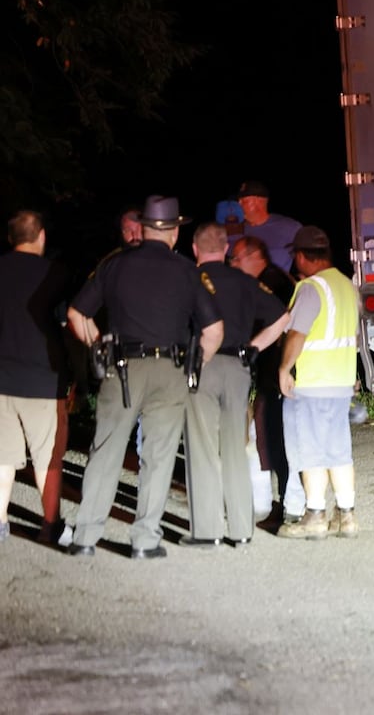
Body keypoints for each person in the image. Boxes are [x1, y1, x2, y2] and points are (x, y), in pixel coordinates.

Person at [64, 195, 224, 559]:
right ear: (174, 232)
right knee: (158, 455)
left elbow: (76, 313)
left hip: (122, 367)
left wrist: (96, 346)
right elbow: (214, 330)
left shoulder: (114, 265)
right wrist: (195, 367)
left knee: (105, 450)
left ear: (146, 227)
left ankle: (85, 537)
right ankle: (144, 541)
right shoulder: (187, 270)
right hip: (170, 368)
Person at [182, 223, 288, 547]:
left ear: (196, 250)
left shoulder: (189, 279)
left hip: (202, 364)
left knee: (201, 448)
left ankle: (207, 530)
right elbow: (283, 317)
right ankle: (242, 529)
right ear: (226, 249)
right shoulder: (246, 281)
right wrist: (254, 347)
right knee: (233, 448)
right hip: (239, 367)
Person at [277, 226, 359, 540]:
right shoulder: (346, 284)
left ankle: (314, 516)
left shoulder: (311, 287)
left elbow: (298, 333)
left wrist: (285, 368)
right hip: (340, 381)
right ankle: (347, 516)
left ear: (301, 255)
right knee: (339, 451)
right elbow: (353, 334)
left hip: (312, 382)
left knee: (310, 452)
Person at [0, 211, 72, 543]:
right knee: (48, 455)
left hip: (2, 378)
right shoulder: (55, 274)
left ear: (10, 238)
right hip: (43, 379)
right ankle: (50, 524)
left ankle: (0, 521)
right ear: (41, 236)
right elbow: (65, 324)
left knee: (3, 456)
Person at [229, 233, 302, 523]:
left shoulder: (270, 283)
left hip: (276, 375)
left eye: (236, 258)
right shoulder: (273, 279)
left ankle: (285, 505)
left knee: (274, 439)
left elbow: (280, 325)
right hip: (271, 375)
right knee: (268, 439)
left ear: (255, 257)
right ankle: (280, 503)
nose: (231, 263)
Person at [236, 180, 302, 275]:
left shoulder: (289, 228)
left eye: (244, 201)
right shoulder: (236, 230)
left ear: (259, 201)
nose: (239, 204)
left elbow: (308, 258)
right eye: (238, 201)